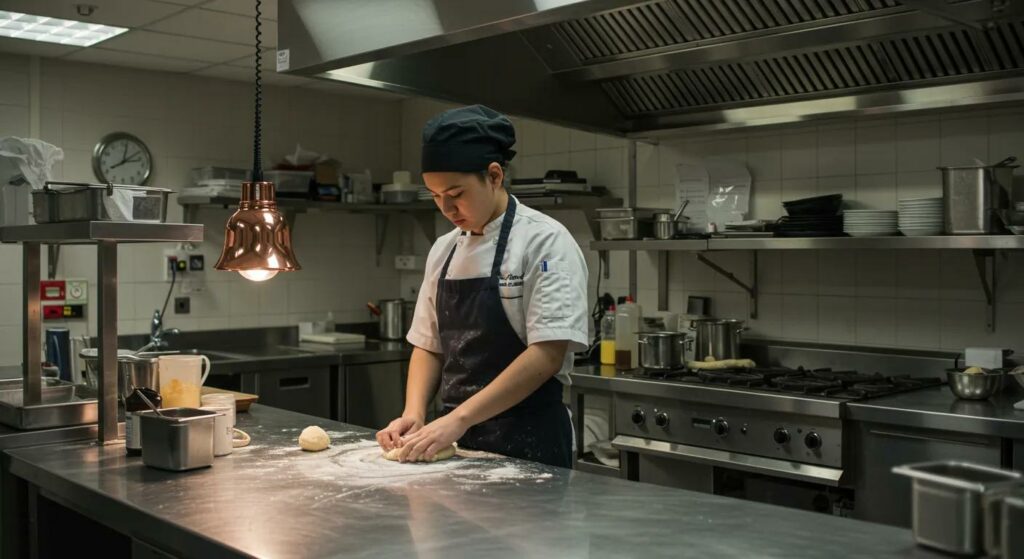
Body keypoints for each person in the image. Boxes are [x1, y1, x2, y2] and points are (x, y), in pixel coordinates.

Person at [375, 105, 589, 468]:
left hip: (530, 443)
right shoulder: (444, 250)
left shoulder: (544, 242)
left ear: (494, 175)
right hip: (454, 443)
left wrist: (458, 420)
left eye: (456, 193)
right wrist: (414, 412)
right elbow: (428, 345)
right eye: (435, 195)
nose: (446, 207)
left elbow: (547, 354)